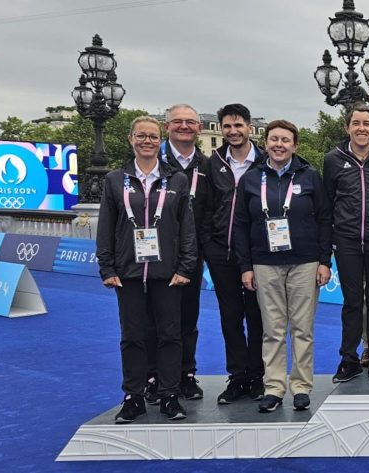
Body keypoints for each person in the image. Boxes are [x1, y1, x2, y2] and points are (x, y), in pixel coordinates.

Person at [96, 116, 197, 423]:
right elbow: (106, 226)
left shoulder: (177, 178)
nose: (147, 141)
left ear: (160, 141)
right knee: (132, 336)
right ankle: (133, 396)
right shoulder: (115, 179)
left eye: (153, 137)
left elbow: (187, 227)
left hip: (167, 271)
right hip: (127, 270)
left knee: (170, 334)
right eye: (141, 136)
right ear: (131, 139)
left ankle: (168, 394)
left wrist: (186, 265)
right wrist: (106, 266)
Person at [234, 119, 332, 413]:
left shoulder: (311, 176)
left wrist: (325, 261)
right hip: (265, 262)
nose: (279, 145)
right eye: (274, 139)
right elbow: (240, 225)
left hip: (304, 262)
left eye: (285, 140)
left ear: (295, 145)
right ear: (266, 144)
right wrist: (245, 266)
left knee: (302, 329)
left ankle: (301, 387)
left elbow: (325, 220)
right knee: (273, 330)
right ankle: (274, 387)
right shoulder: (251, 179)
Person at [143, 104, 212, 403]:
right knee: (152, 318)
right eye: (178, 122)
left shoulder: (209, 165)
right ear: (167, 127)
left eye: (190, 122)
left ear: (199, 128)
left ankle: (186, 374)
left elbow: (214, 208)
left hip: (192, 253)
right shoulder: (150, 160)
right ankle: (154, 376)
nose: (184, 126)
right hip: (155, 253)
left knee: (187, 317)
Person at [324, 103, 369, 383]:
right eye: (356, 123)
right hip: (347, 241)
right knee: (352, 303)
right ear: (347, 128)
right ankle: (349, 359)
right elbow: (327, 204)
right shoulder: (333, 159)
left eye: (367, 123)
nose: (361, 128)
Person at [203, 104, 266, 405]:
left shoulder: (265, 161)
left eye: (238, 125)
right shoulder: (211, 163)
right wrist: (208, 244)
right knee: (230, 316)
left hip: (256, 253)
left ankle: (257, 375)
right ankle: (237, 376)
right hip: (221, 252)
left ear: (250, 127)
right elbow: (203, 207)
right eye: (227, 126)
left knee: (257, 316)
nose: (233, 131)